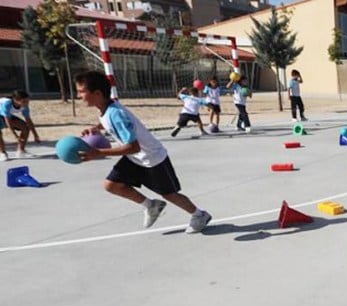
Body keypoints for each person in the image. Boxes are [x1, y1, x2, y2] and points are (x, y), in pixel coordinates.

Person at [74, 71, 212, 234]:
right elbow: (108, 123)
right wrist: (96, 128)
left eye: (82, 91)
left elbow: (134, 147)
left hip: (152, 158)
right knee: (111, 185)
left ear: (97, 93)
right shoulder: (105, 108)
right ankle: (151, 205)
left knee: (169, 194)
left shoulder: (115, 114)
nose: (78, 95)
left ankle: (199, 215)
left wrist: (99, 153)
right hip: (135, 159)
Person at [0, 90, 41, 160]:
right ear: (16, 100)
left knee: (25, 127)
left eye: (28, 101)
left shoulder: (25, 106)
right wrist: (16, 136)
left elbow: (29, 121)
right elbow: (8, 122)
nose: (26, 103)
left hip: (5, 115)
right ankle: (2, 153)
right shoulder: (7, 104)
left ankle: (21, 151)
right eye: (24, 101)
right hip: (4, 116)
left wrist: (36, 135)